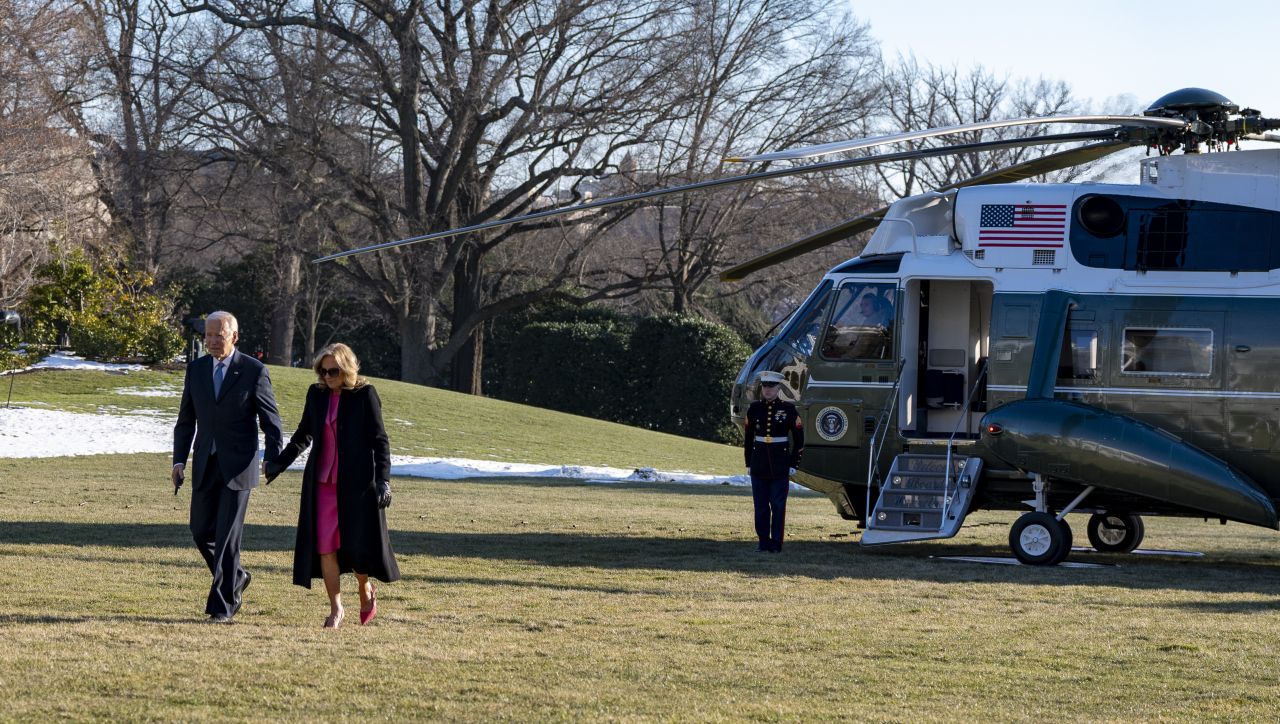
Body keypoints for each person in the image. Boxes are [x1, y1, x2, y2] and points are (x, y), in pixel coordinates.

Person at [265, 343, 399, 629]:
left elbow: (380, 440)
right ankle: (336, 608)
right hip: (322, 484)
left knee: (356, 546)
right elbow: (303, 434)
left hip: (358, 485)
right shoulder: (316, 395)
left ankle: (365, 589)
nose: (327, 377)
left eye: (333, 371)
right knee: (326, 547)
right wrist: (279, 463)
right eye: (323, 371)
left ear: (346, 369)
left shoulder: (365, 395)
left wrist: (383, 480)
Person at [172, 311, 283, 623]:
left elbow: (271, 421)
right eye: (207, 335)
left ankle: (223, 606)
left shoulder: (253, 370)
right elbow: (186, 420)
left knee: (226, 538)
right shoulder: (196, 370)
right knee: (200, 531)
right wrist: (179, 460)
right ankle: (236, 578)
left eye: (218, 336)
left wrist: (272, 458)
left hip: (239, 466)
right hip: (205, 463)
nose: (211, 341)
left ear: (234, 336)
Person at [742, 370, 804, 553]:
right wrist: (748, 463)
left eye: (771, 386)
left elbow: (799, 439)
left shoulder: (789, 409)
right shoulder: (754, 409)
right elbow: (748, 439)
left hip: (780, 463)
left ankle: (776, 543)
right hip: (759, 462)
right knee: (760, 506)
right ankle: (763, 541)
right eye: (765, 386)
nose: (767, 390)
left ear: (778, 388)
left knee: (778, 505)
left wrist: (794, 464)